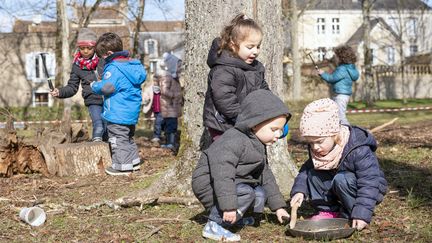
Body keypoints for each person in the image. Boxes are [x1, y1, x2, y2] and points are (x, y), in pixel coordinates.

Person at [192, 89, 291, 241]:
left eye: (280, 130)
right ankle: (214, 225)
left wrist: (278, 207)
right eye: (274, 129)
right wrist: (228, 206)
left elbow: (266, 175)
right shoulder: (233, 140)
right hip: (209, 182)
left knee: (259, 193)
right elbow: (223, 173)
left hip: (234, 183)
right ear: (255, 124)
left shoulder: (257, 144)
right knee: (246, 193)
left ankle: (235, 219)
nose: (278, 135)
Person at [290, 98, 387, 231]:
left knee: (342, 179)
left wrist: (362, 213)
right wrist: (299, 191)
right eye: (311, 143)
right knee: (313, 173)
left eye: (319, 141)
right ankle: (329, 211)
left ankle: (352, 212)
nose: (315, 147)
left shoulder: (357, 149)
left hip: (367, 188)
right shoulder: (319, 150)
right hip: (339, 183)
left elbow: (370, 181)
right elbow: (305, 171)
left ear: (334, 134)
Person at [203, 13, 270, 141]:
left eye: (258, 46)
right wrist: (243, 118)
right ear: (233, 45)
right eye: (250, 47)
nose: (255, 51)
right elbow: (224, 98)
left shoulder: (256, 68)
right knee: (228, 156)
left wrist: (273, 112)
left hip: (247, 121)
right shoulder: (223, 69)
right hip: (224, 124)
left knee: (249, 153)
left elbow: (264, 91)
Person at [91, 32, 147, 176]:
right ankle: (133, 162)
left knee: (117, 139)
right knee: (128, 137)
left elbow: (107, 87)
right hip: (131, 111)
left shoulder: (113, 67)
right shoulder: (132, 65)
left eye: (102, 56)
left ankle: (122, 166)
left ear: (109, 53)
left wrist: (95, 85)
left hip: (117, 112)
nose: (102, 60)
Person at [50, 28, 106, 142]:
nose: (85, 51)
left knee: (109, 128)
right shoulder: (77, 65)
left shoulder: (103, 60)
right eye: (82, 48)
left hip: (109, 99)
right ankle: (96, 144)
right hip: (93, 100)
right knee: (98, 125)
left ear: (95, 47)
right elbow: (72, 87)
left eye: (89, 48)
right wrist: (60, 92)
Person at [317, 45, 359, 125]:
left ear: (341, 57)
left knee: (341, 117)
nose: (335, 57)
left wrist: (322, 73)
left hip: (340, 95)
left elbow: (332, 78)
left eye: (336, 56)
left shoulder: (342, 68)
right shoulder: (351, 67)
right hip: (343, 95)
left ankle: (349, 133)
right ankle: (339, 134)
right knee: (335, 116)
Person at [156, 53, 182, 150]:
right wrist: (175, 95)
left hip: (173, 107)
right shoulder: (167, 77)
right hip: (168, 106)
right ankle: (169, 142)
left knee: (172, 125)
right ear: (172, 65)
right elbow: (164, 90)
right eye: (178, 66)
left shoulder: (175, 77)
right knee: (170, 125)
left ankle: (170, 142)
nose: (180, 68)